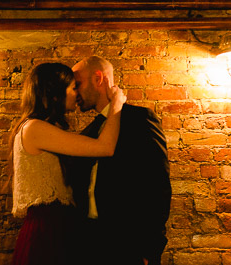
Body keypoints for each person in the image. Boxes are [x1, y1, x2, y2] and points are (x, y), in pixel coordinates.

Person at [9, 61, 126, 265]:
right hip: (46, 232)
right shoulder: (35, 129)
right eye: (73, 88)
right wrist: (116, 104)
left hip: (56, 227)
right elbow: (105, 147)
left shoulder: (42, 128)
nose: (77, 94)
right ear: (56, 94)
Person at [68, 56, 171, 265]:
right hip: (90, 243)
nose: (75, 93)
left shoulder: (139, 120)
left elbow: (158, 186)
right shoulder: (88, 132)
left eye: (78, 84)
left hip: (130, 246)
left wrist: (149, 250)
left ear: (98, 78)